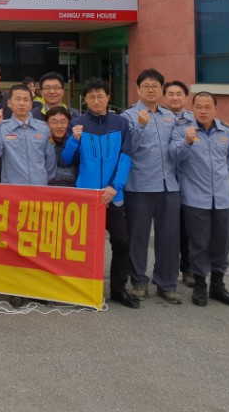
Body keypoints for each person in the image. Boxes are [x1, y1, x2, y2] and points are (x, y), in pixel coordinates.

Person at [60, 78, 138, 309]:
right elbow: (66, 160)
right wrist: (74, 140)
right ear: (85, 99)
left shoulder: (121, 123)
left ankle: (118, 290)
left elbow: (125, 157)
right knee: (84, 247)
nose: (96, 101)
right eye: (91, 97)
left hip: (113, 195)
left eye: (100, 96)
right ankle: (83, 290)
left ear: (108, 98)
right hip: (87, 197)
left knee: (121, 242)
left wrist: (115, 186)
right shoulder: (77, 124)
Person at [0, 84, 55, 308]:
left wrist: (42, 183)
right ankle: (15, 289)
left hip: (39, 195)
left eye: (26, 99)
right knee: (14, 244)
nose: (22, 103)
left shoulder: (43, 129)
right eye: (18, 99)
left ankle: (36, 287)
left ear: (32, 102)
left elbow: (50, 162)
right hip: (13, 196)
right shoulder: (3, 126)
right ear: (10, 103)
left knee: (38, 243)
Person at [121, 69, 184, 304]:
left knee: (169, 237)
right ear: (138, 90)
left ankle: (166, 284)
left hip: (169, 186)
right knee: (138, 237)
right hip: (139, 186)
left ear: (161, 90)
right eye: (146, 86)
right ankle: (138, 281)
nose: (151, 90)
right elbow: (128, 149)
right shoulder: (128, 116)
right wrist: (140, 126)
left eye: (155, 86)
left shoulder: (170, 117)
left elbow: (176, 150)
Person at [172, 92, 229, 308]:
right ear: (192, 108)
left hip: (222, 198)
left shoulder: (226, 132)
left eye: (207, 107)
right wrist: (187, 142)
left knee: (222, 242)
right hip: (195, 198)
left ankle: (218, 285)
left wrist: (219, 184)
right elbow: (173, 156)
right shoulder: (183, 130)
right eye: (199, 107)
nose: (203, 111)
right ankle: (200, 285)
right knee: (199, 243)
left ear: (215, 109)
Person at [163, 80, 196, 287]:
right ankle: (166, 270)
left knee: (188, 228)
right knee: (167, 230)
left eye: (179, 94)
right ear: (164, 96)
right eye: (171, 94)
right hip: (163, 181)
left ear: (185, 97)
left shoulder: (195, 121)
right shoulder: (157, 119)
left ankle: (188, 268)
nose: (175, 98)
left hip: (188, 183)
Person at [44, 106, 78, 187]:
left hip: (74, 191)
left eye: (63, 122)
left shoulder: (76, 142)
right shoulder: (42, 144)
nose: (59, 126)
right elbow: (43, 172)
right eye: (54, 122)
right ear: (46, 124)